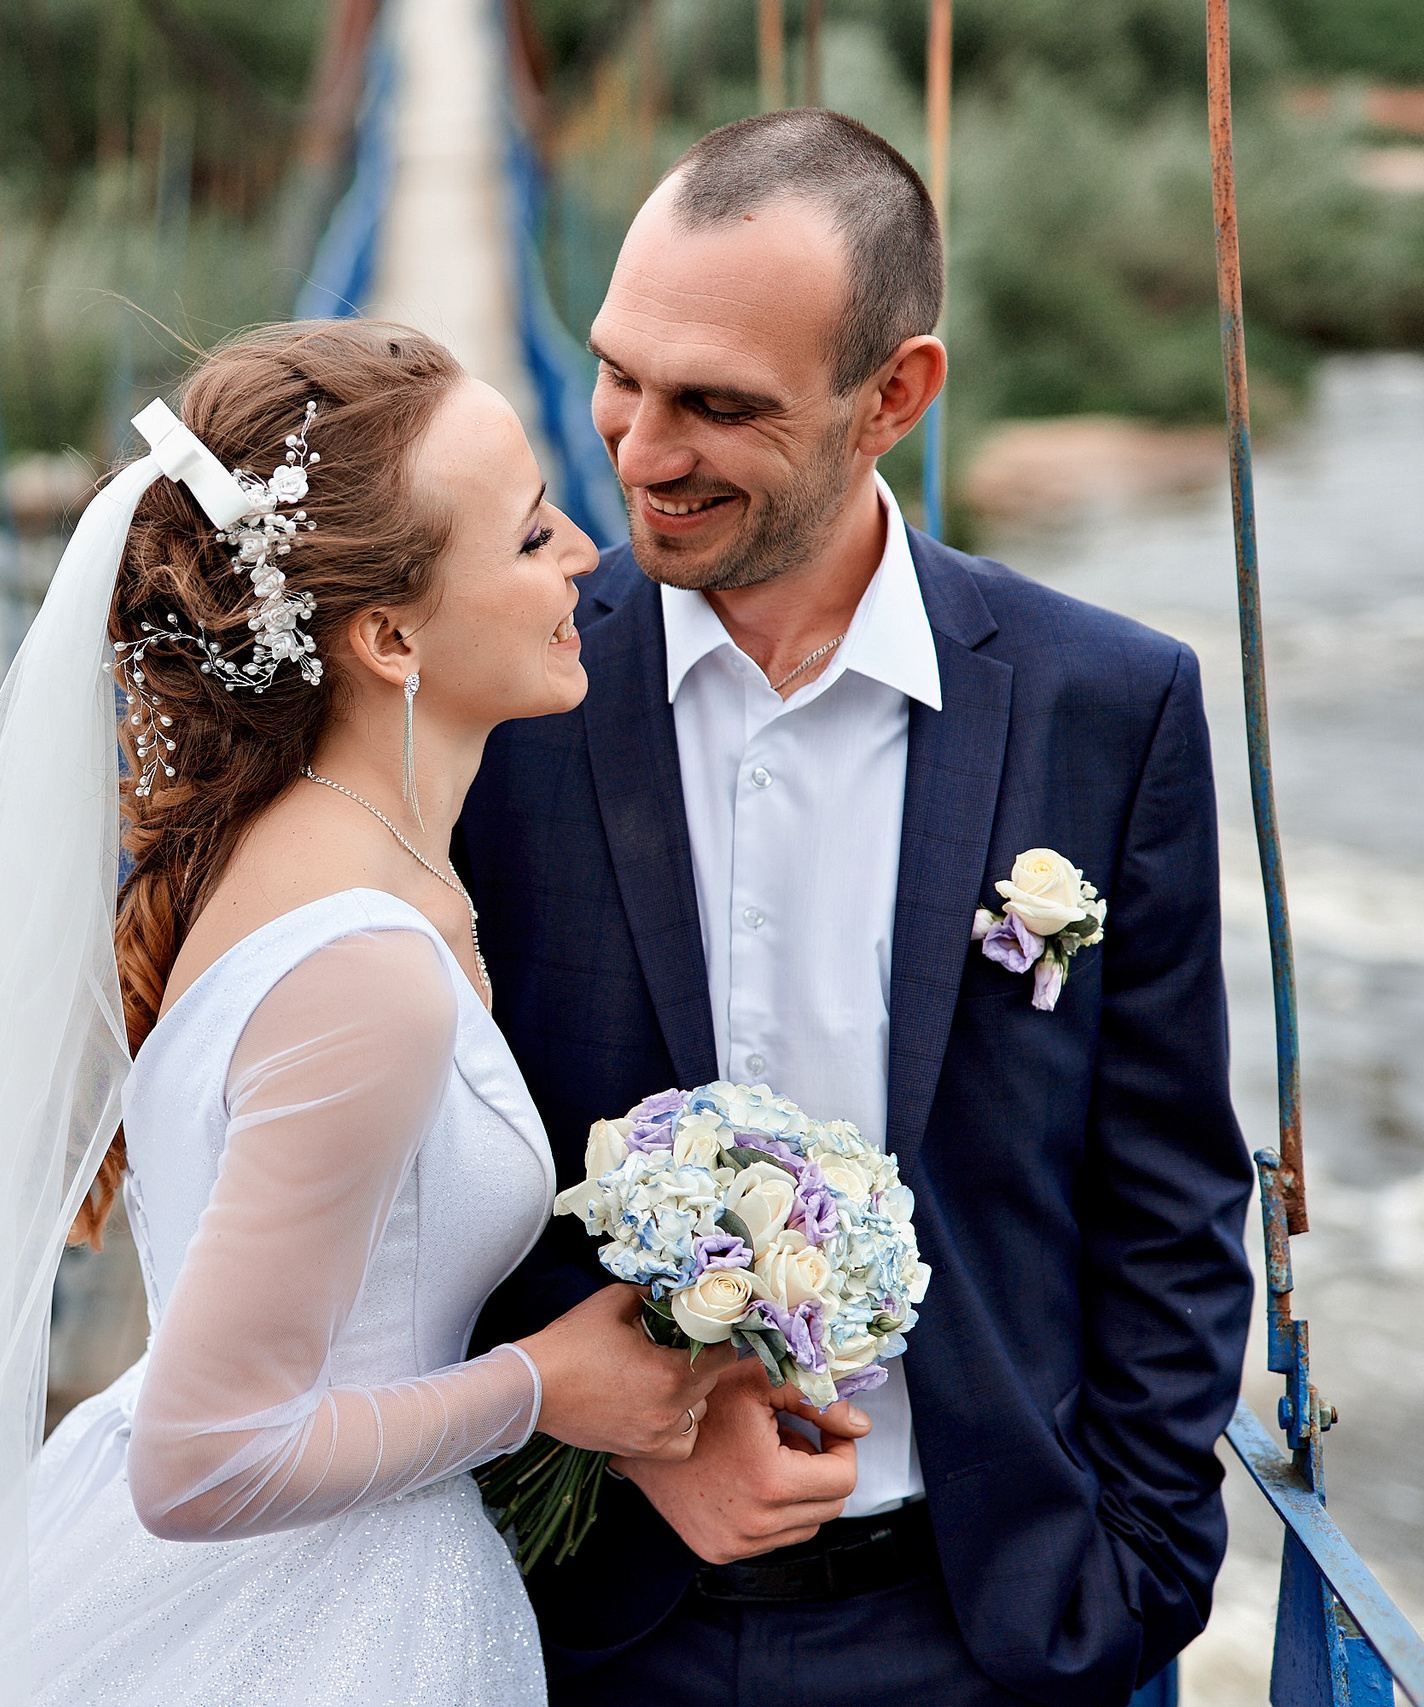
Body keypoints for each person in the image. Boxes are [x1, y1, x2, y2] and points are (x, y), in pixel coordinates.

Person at [459, 110, 1256, 1707]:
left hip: (994, 1628)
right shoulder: (494, 696)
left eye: (719, 405)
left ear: (894, 394)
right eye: (621, 374)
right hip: (588, 1619)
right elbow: (414, 1179)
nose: (637, 449)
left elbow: (1168, 1189)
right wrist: (621, 1445)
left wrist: (1143, 1574)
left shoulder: (1115, 704)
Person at [0, 320, 734, 1705]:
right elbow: (198, 1460)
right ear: (384, 635)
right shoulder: (359, 971)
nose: (586, 562)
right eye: (532, 534)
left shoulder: (301, 843)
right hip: (312, 1630)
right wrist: (545, 1390)